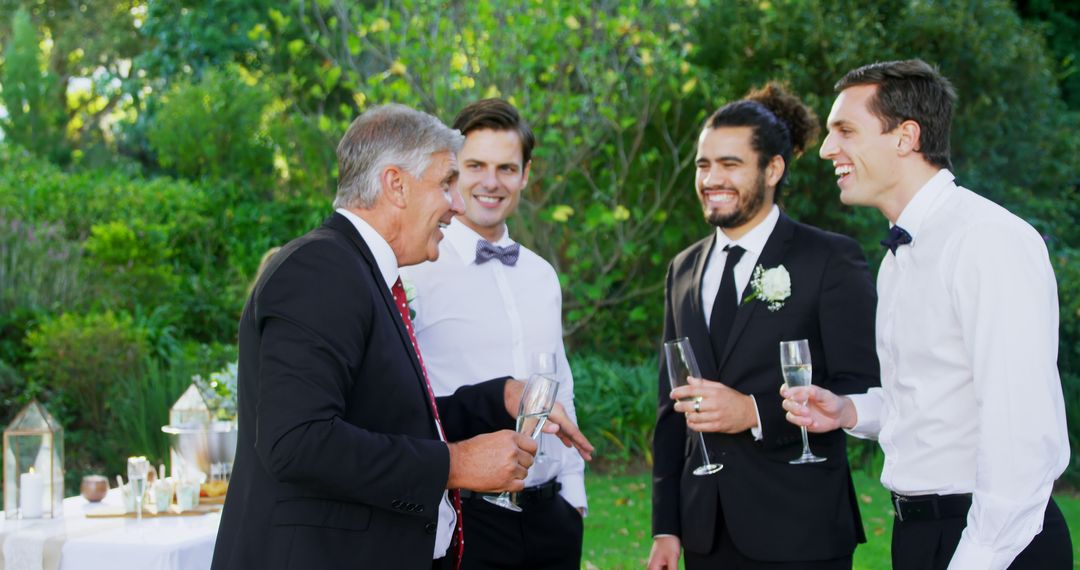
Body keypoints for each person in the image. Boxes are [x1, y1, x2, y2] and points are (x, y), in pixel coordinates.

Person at [210, 104, 593, 570]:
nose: (455, 203)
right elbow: (298, 441)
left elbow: (392, 421)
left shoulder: (362, 273)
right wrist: (453, 465)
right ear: (396, 185)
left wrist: (501, 396)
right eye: (445, 183)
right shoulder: (319, 270)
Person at [784, 59, 1072, 569]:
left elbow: (1022, 437)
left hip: (993, 543)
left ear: (905, 137)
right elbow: (931, 401)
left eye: (845, 130)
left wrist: (974, 559)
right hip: (918, 536)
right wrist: (851, 412)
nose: (828, 149)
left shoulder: (988, 242)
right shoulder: (900, 256)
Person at [648, 84, 880, 570]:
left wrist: (754, 412)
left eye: (730, 164)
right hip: (704, 533)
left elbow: (859, 390)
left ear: (772, 169)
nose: (712, 179)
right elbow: (670, 411)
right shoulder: (682, 269)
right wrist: (666, 527)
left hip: (801, 529)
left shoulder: (830, 260)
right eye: (703, 165)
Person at [400, 99, 587, 570]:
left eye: (507, 168)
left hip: (552, 517)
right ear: (451, 172)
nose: (490, 182)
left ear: (525, 175)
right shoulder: (417, 272)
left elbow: (559, 381)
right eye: (475, 166)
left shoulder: (543, 274)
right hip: (465, 514)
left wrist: (574, 497)